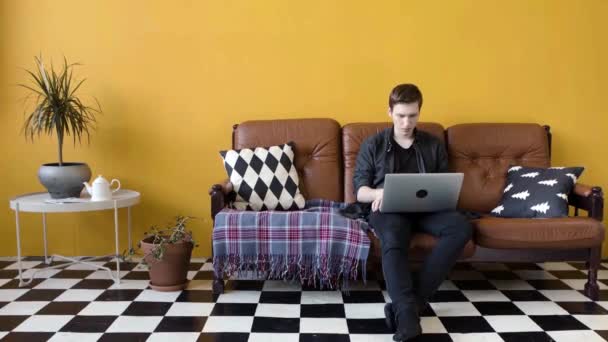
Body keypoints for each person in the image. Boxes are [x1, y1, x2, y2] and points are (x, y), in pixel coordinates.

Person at [353, 83, 473, 341]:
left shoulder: (433, 144)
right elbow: (360, 191)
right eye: (400, 115)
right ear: (389, 112)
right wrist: (379, 193)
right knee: (394, 238)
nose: (406, 122)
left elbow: (443, 184)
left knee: (461, 227)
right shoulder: (373, 144)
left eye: (412, 115)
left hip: (427, 210)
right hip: (388, 210)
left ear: (419, 112)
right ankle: (408, 318)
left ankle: (406, 306)